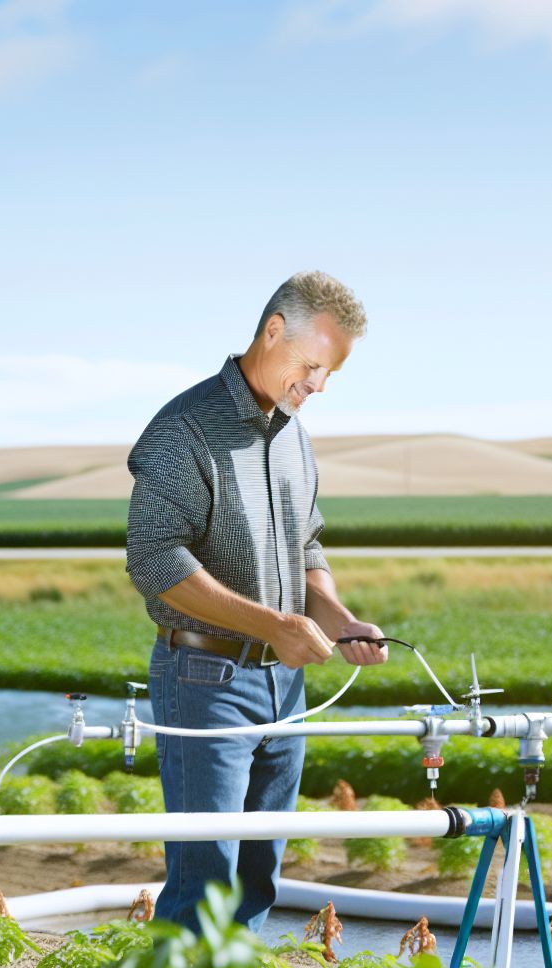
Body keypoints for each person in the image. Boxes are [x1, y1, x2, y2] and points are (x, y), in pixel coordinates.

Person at [125, 270, 386, 932]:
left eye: (329, 375)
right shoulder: (182, 429)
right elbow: (156, 562)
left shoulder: (294, 434)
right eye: (312, 366)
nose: (318, 386)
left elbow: (308, 552)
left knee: (258, 874)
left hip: (285, 685)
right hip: (204, 679)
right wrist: (274, 625)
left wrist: (341, 620)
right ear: (274, 332)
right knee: (204, 879)